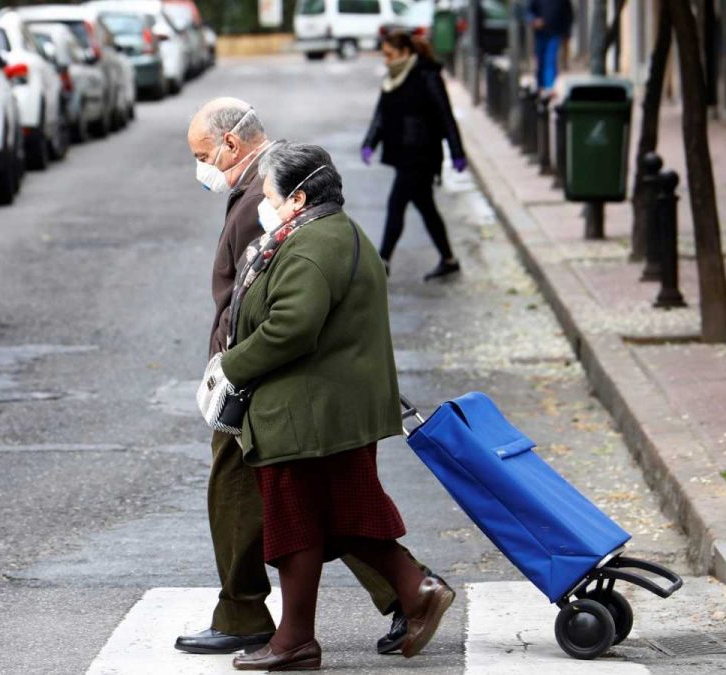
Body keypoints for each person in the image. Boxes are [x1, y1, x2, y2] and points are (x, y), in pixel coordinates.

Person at [181, 100, 436, 658]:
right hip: (307, 398)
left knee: (302, 513)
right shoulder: (311, 221)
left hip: (297, 399)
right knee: (326, 511)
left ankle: (282, 622)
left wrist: (230, 364)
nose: (202, 168)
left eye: (204, 155)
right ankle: (401, 593)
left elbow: (286, 321)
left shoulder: (293, 226)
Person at [362, 31, 468, 281]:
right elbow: (381, 114)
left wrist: (457, 152)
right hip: (403, 152)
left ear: (405, 52)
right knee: (426, 207)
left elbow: (445, 116)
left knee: (396, 203)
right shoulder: (393, 78)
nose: (386, 60)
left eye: (390, 55)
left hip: (422, 153)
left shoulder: (427, 76)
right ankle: (449, 259)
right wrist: (370, 142)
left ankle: (383, 260)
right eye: (384, 55)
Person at [528, 0, 575, 91]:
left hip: (555, 32)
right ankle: (540, 86)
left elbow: (568, 14)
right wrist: (534, 20)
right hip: (540, 33)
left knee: (550, 60)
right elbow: (530, 11)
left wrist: (566, 33)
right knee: (541, 60)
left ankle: (549, 88)